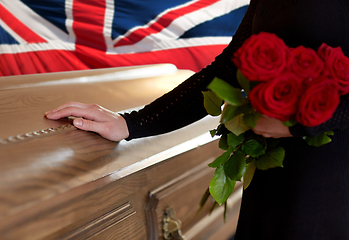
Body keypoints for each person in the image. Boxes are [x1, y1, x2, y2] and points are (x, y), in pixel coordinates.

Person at [45, 1, 349, 239]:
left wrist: (300, 122)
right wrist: (132, 123)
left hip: (332, 182)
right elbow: (232, 63)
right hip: (277, 174)